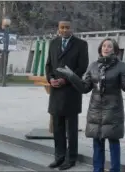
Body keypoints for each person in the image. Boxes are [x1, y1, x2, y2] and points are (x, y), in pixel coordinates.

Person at [56, 38, 125, 172]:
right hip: (95, 109)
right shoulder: (93, 66)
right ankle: (97, 169)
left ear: (115, 50)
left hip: (113, 110)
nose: (106, 48)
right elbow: (85, 88)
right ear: (100, 49)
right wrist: (72, 76)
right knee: (97, 142)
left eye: (109, 46)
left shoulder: (120, 66)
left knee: (113, 142)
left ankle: (115, 169)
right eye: (104, 46)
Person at [45, 17, 89, 170]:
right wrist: (50, 79)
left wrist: (66, 80)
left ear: (72, 28)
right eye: (62, 27)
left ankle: (71, 159)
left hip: (71, 92)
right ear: (58, 28)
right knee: (57, 128)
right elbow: (49, 65)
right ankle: (59, 157)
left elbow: (82, 67)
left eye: (67, 27)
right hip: (56, 92)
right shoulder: (53, 43)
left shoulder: (81, 45)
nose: (64, 30)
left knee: (71, 130)